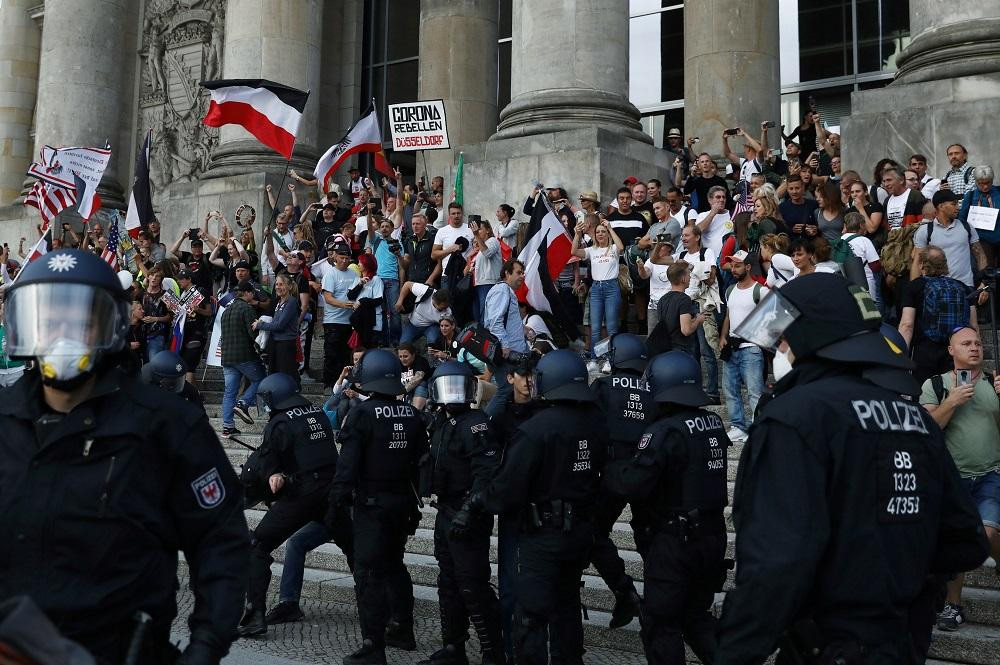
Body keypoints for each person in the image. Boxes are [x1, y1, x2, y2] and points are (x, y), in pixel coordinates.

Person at [715, 272, 990, 664]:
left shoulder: (796, 416)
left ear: (812, 335)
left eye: (785, 338)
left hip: (827, 642)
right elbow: (967, 541)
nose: (782, 348)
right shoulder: (916, 420)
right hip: (900, 640)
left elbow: (776, 564)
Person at [0, 248, 249, 663]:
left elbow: (221, 542)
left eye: (79, 318)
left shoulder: (166, 425)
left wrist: (205, 649)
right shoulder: (3, 416)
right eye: (49, 318)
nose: (62, 331)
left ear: (109, 325)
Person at [463, 350, 608, 665]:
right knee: (567, 606)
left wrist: (478, 502)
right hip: (579, 529)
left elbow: (507, 488)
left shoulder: (536, 429)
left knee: (531, 613)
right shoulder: (594, 422)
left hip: (542, 532)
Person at [604, 351, 730, 665]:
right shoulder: (712, 423)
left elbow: (634, 483)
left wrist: (609, 469)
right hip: (711, 537)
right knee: (696, 618)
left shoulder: (664, 431)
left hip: (675, 542)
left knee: (661, 625)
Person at [329, 349, 429, 663]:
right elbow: (421, 461)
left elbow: (347, 466)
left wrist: (335, 502)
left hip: (372, 505)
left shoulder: (361, 413)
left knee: (368, 573)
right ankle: (402, 628)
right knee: (394, 565)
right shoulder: (411, 414)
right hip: (402, 503)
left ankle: (373, 646)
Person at [239, 372, 354, 637]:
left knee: (257, 546)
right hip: (332, 493)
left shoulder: (279, 422)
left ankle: (255, 616)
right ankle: (382, 614)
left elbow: (267, 463)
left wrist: (272, 476)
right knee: (356, 552)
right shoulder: (317, 413)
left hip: (302, 494)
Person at [418, 361, 504, 665]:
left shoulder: (476, 423)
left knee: (473, 585)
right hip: (445, 510)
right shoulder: (441, 420)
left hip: (469, 513)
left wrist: (468, 511)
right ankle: (453, 647)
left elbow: (486, 473)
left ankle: (494, 651)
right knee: (448, 583)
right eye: (446, 386)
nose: (452, 394)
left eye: (458, 386)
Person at [917, 327, 1000, 632]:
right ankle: (954, 606)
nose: (975, 347)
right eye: (966, 343)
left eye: (978, 342)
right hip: (952, 478)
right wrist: (951, 402)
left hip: (991, 474)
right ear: (951, 351)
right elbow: (927, 429)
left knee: (986, 534)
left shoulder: (993, 382)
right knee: (959, 540)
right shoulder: (936, 384)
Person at [587, 334, 652, 628]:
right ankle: (658, 600)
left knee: (593, 534)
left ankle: (624, 590)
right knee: (652, 539)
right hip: (648, 473)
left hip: (610, 472)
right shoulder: (655, 389)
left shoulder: (602, 386)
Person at [487, 357, 541, 663]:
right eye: (523, 375)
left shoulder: (543, 411)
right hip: (513, 508)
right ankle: (507, 646)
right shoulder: (501, 414)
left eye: (532, 375)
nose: (528, 381)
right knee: (509, 583)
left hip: (540, 506)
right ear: (511, 379)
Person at [898, 247, 978, 387]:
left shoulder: (914, 287)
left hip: (925, 352)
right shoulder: (963, 287)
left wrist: (899, 355)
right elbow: (973, 326)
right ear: (945, 265)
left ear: (922, 264)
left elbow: (907, 325)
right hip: (957, 352)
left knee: (924, 395)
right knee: (960, 393)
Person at [718, 251, 769, 443]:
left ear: (748, 267)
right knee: (730, 390)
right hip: (731, 346)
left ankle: (757, 428)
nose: (733, 269)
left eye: (737, 265)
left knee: (754, 391)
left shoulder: (760, 290)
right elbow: (729, 316)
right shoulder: (730, 289)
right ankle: (738, 426)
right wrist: (723, 336)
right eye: (732, 266)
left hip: (751, 347)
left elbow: (771, 316)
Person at [571, 214, 625, 367]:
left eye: (603, 232)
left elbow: (621, 247)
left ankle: (609, 359)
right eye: (598, 232)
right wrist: (577, 233)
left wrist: (610, 228)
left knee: (611, 327)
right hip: (596, 289)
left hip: (611, 288)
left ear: (607, 234)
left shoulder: (613, 248)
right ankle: (594, 359)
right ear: (595, 235)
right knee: (595, 327)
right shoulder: (591, 250)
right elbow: (574, 251)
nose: (600, 234)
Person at [220, 280, 267, 438]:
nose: (253, 296)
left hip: (227, 357)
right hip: (244, 355)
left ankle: (228, 427)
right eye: (252, 293)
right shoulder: (247, 308)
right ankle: (244, 403)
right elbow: (253, 334)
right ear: (247, 293)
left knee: (229, 393)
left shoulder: (226, 310)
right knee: (260, 379)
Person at [482, 259, 529, 418]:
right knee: (507, 389)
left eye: (523, 273)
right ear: (507, 273)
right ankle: (484, 424)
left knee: (513, 390)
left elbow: (505, 321)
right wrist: (504, 345)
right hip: (505, 353)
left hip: (512, 351)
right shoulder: (502, 290)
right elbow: (495, 322)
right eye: (518, 272)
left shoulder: (507, 292)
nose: (522, 276)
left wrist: (524, 330)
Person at [321, 243, 360, 393]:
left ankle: (344, 383)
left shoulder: (354, 274)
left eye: (347, 258)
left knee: (346, 355)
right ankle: (328, 383)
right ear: (335, 257)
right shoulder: (330, 274)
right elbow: (328, 298)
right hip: (333, 320)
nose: (344, 261)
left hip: (349, 321)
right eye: (341, 257)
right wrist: (345, 305)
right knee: (331, 353)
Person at [648, 261, 707, 357]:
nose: (690, 278)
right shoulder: (684, 299)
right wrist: (698, 320)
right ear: (683, 279)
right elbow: (686, 330)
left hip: (665, 349)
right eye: (688, 274)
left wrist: (692, 320)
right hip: (681, 350)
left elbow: (671, 322)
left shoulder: (663, 299)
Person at [253, 273, 301, 380]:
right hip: (276, 342)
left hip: (286, 344)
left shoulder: (291, 302)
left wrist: (260, 325)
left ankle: (292, 393)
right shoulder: (279, 302)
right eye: (276, 284)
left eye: (281, 284)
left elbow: (279, 325)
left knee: (286, 375)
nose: (278, 287)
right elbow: (275, 322)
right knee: (275, 374)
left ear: (289, 286)